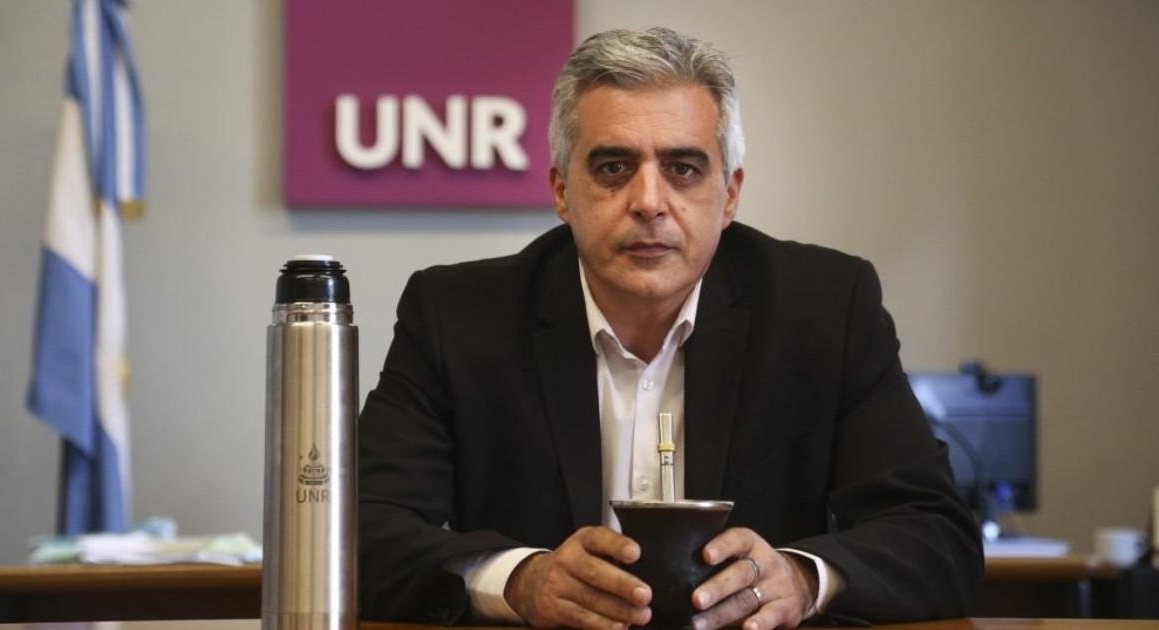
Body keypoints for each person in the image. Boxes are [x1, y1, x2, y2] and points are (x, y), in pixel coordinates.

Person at [357, 27, 982, 630]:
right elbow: (357, 533)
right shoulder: (456, 317)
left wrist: (801, 579)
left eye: (682, 168)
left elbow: (937, 537)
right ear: (562, 191)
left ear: (729, 194)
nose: (649, 202)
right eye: (613, 167)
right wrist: (519, 581)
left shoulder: (825, 310)